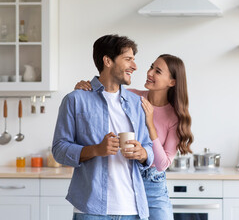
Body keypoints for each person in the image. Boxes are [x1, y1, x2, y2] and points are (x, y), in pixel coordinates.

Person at [75, 54, 194, 220]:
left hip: (153, 185)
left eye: (157, 71)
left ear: (172, 82)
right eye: (151, 67)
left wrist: (150, 124)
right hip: (127, 178)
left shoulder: (175, 117)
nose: (150, 72)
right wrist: (83, 89)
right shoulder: (131, 97)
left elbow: (161, 164)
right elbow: (99, 101)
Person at [53, 34, 154, 220]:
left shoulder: (136, 103)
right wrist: (96, 150)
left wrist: (143, 153)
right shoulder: (76, 100)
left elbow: (149, 147)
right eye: (128, 59)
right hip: (91, 209)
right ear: (107, 61)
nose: (135, 66)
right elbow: (59, 150)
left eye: (134, 59)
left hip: (132, 210)